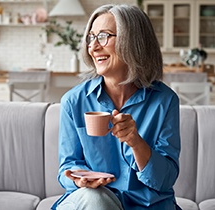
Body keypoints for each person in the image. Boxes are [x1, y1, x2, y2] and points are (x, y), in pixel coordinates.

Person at [52, 4, 181, 210]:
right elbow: (67, 167)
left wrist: (136, 142)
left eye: (103, 36)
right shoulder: (74, 101)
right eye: (91, 37)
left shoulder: (165, 101)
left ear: (133, 41)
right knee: (96, 201)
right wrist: (79, 180)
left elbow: (165, 180)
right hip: (93, 202)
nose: (93, 47)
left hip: (148, 205)